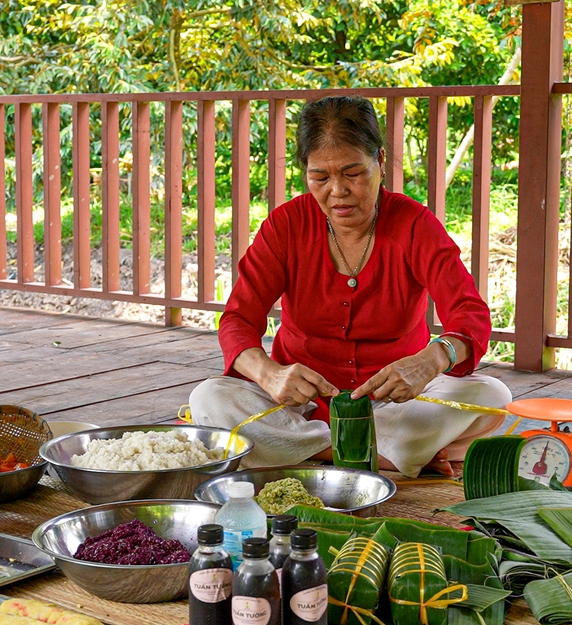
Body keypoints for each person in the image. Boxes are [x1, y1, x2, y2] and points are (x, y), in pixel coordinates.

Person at [190, 96, 510, 476]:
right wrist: (268, 374)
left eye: (353, 173)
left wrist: (432, 359)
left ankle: (299, 450)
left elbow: (469, 315)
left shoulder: (414, 224)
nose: (337, 191)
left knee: (491, 396)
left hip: (394, 404)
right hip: (300, 406)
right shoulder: (286, 225)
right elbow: (237, 320)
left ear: (380, 162)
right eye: (320, 178)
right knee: (209, 397)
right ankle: (378, 455)